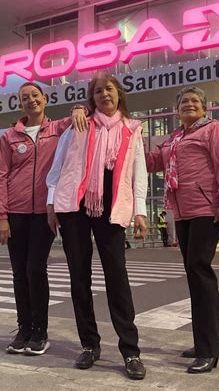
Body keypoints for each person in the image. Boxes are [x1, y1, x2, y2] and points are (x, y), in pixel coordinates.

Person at [46, 72, 148, 380]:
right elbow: (57, 166)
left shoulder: (132, 129)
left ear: (119, 95)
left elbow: (138, 173)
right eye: (98, 91)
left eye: (109, 89)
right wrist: (51, 205)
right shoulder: (78, 124)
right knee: (79, 277)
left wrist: (140, 211)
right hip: (74, 205)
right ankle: (89, 345)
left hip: (112, 204)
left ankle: (130, 350)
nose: (104, 94)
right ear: (92, 98)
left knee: (117, 277)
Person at [145, 86, 219, 374]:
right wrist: (130, 143)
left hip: (206, 209)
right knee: (194, 275)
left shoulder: (213, 130)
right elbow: (155, 162)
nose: (189, 104)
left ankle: (210, 349)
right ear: (177, 110)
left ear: (204, 107)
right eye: (184, 102)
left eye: (194, 101)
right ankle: (203, 343)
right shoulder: (175, 137)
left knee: (200, 272)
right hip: (182, 212)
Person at [0, 81, 86, 356]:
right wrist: (1, 216)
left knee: (35, 269)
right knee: (19, 273)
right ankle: (24, 329)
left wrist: (79, 108)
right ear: (20, 104)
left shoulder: (58, 129)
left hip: (44, 213)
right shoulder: (9, 136)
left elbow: (86, 115)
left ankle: (41, 331)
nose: (30, 100)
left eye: (35, 95)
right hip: (15, 214)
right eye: (24, 97)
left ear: (44, 99)